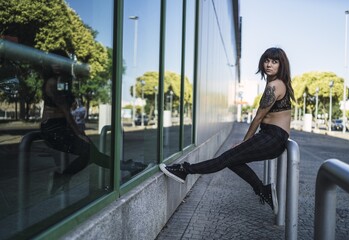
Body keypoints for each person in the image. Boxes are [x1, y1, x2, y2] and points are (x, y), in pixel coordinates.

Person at [160, 47, 295, 214]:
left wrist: (244, 142)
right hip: (270, 136)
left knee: (226, 158)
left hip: (273, 137)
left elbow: (258, 117)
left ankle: (184, 170)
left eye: (274, 62)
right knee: (231, 160)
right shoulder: (278, 83)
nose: (269, 65)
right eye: (266, 60)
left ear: (282, 65)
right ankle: (263, 190)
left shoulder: (274, 85)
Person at [41, 49, 146, 194]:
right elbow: (65, 111)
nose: (57, 65)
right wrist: (78, 133)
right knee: (89, 153)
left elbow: (68, 109)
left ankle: (126, 166)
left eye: (60, 62)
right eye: (53, 62)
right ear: (49, 64)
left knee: (93, 154)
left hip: (63, 126)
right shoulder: (52, 82)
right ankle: (127, 166)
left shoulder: (63, 81)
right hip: (53, 129)